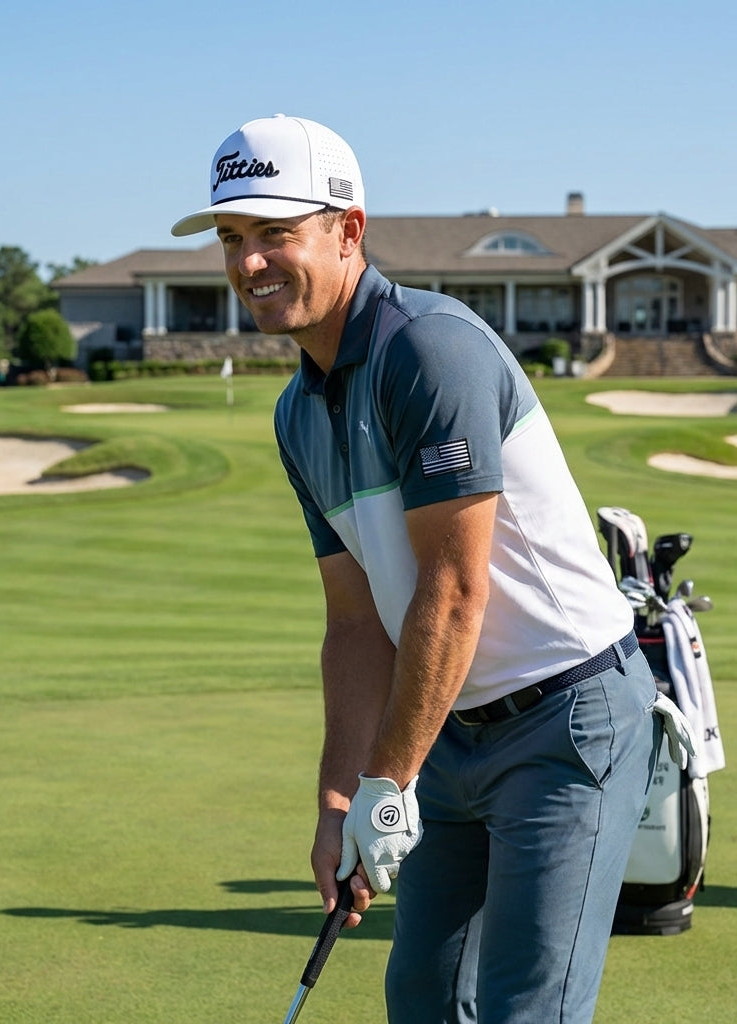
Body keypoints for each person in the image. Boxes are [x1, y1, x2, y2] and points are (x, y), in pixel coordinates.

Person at [173, 115, 689, 1024]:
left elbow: (453, 594)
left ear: (348, 230)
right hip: (449, 731)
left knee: (523, 1008)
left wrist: (388, 781)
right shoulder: (299, 414)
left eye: (276, 234)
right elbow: (356, 621)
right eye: (232, 239)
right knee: (420, 998)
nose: (249, 264)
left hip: (567, 721)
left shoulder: (429, 349)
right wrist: (341, 798)